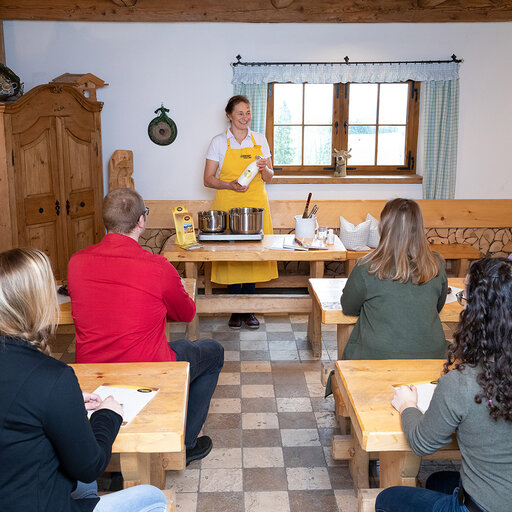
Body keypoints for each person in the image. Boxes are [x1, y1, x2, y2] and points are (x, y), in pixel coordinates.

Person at [0, 248, 168, 512]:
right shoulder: (52, 377)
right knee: (153, 498)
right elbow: (90, 467)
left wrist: (65, 403)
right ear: (37, 302)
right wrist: (107, 414)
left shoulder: (45, 383)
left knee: (82, 486)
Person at [67, 188, 224, 465]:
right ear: (141, 221)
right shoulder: (157, 266)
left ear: (107, 222)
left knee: (183, 348)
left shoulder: (76, 263)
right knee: (212, 352)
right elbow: (186, 313)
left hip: (92, 369)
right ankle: (184, 446)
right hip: (148, 367)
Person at [376, 257, 512, 512]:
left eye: (466, 298)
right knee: (437, 481)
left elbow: (422, 443)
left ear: (478, 314)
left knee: (387, 499)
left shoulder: (463, 383)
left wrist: (408, 405)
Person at [340, 198, 448, 359]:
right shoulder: (436, 263)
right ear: (419, 228)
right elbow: (438, 307)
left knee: (341, 368)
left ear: (383, 227)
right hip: (432, 353)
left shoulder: (367, 266)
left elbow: (348, 307)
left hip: (378, 355)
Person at [204, 95, 278, 330]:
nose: (245, 117)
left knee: (252, 257)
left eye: (248, 112)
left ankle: (249, 310)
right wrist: (230, 184)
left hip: (256, 204)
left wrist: (265, 167)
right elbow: (208, 179)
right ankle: (236, 310)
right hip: (228, 204)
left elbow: (269, 177)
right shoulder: (218, 142)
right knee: (232, 258)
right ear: (229, 115)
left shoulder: (259, 140)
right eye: (239, 113)